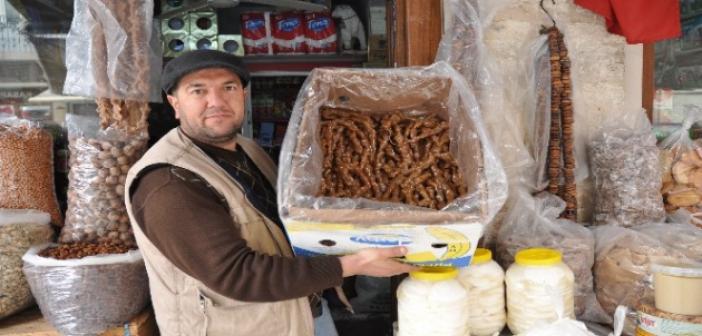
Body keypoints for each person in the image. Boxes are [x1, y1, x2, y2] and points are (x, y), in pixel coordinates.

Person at [124, 49, 415, 336]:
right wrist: (356, 264)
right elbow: (237, 275)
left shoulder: (248, 149)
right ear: (175, 104)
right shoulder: (168, 181)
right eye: (198, 91)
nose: (216, 101)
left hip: (300, 312)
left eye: (228, 88)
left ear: (243, 96)